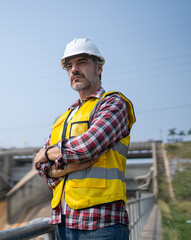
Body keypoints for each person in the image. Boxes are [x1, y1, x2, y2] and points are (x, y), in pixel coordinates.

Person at [34, 38, 136, 240]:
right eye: (69, 66)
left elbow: (88, 146)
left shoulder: (113, 104)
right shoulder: (62, 119)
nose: (74, 70)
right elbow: (41, 168)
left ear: (99, 68)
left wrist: (46, 154)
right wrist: (70, 167)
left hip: (102, 224)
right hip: (64, 224)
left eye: (82, 62)